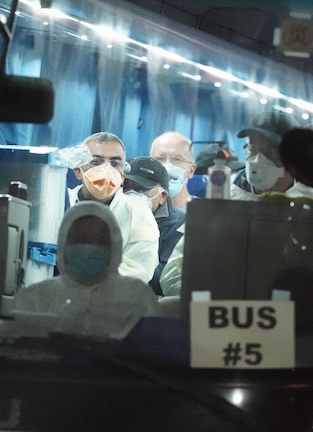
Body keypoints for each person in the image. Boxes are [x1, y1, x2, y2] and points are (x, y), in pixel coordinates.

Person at [159, 111, 313, 297]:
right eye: (252, 149)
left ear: (294, 157)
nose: (258, 160)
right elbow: (172, 278)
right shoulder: (224, 203)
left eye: (271, 151)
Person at [13, 202, 159, 335]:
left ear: (114, 247)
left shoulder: (137, 295)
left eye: (98, 241)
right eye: (80, 240)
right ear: (64, 244)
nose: (88, 249)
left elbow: (152, 349)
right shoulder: (34, 299)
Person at [67, 132, 159, 282]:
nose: (106, 170)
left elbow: (138, 270)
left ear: (122, 175)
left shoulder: (138, 213)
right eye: (96, 162)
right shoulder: (59, 203)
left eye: (115, 163)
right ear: (78, 171)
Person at [123, 156, 185, 295]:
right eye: (127, 187)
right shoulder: (115, 213)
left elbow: (165, 277)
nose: (131, 194)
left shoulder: (179, 225)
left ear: (162, 195)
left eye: (141, 189)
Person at [150, 131, 196, 210]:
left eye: (177, 159)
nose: (167, 167)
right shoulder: (141, 210)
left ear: (191, 170)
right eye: (160, 158)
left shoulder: (203, 212)